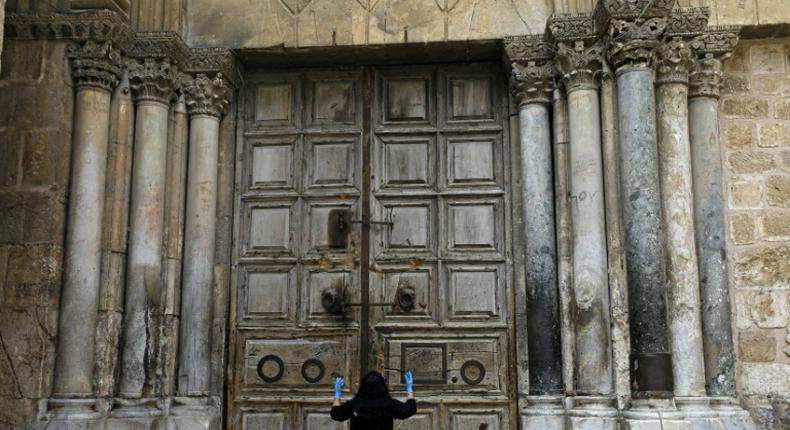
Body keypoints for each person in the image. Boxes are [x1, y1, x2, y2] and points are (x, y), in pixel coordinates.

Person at [330, 370, 416, 430]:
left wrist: (337, 394)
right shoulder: (390, 404)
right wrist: (409, 389)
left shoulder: (355, 404)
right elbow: (410, 409)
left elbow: (336, 414)